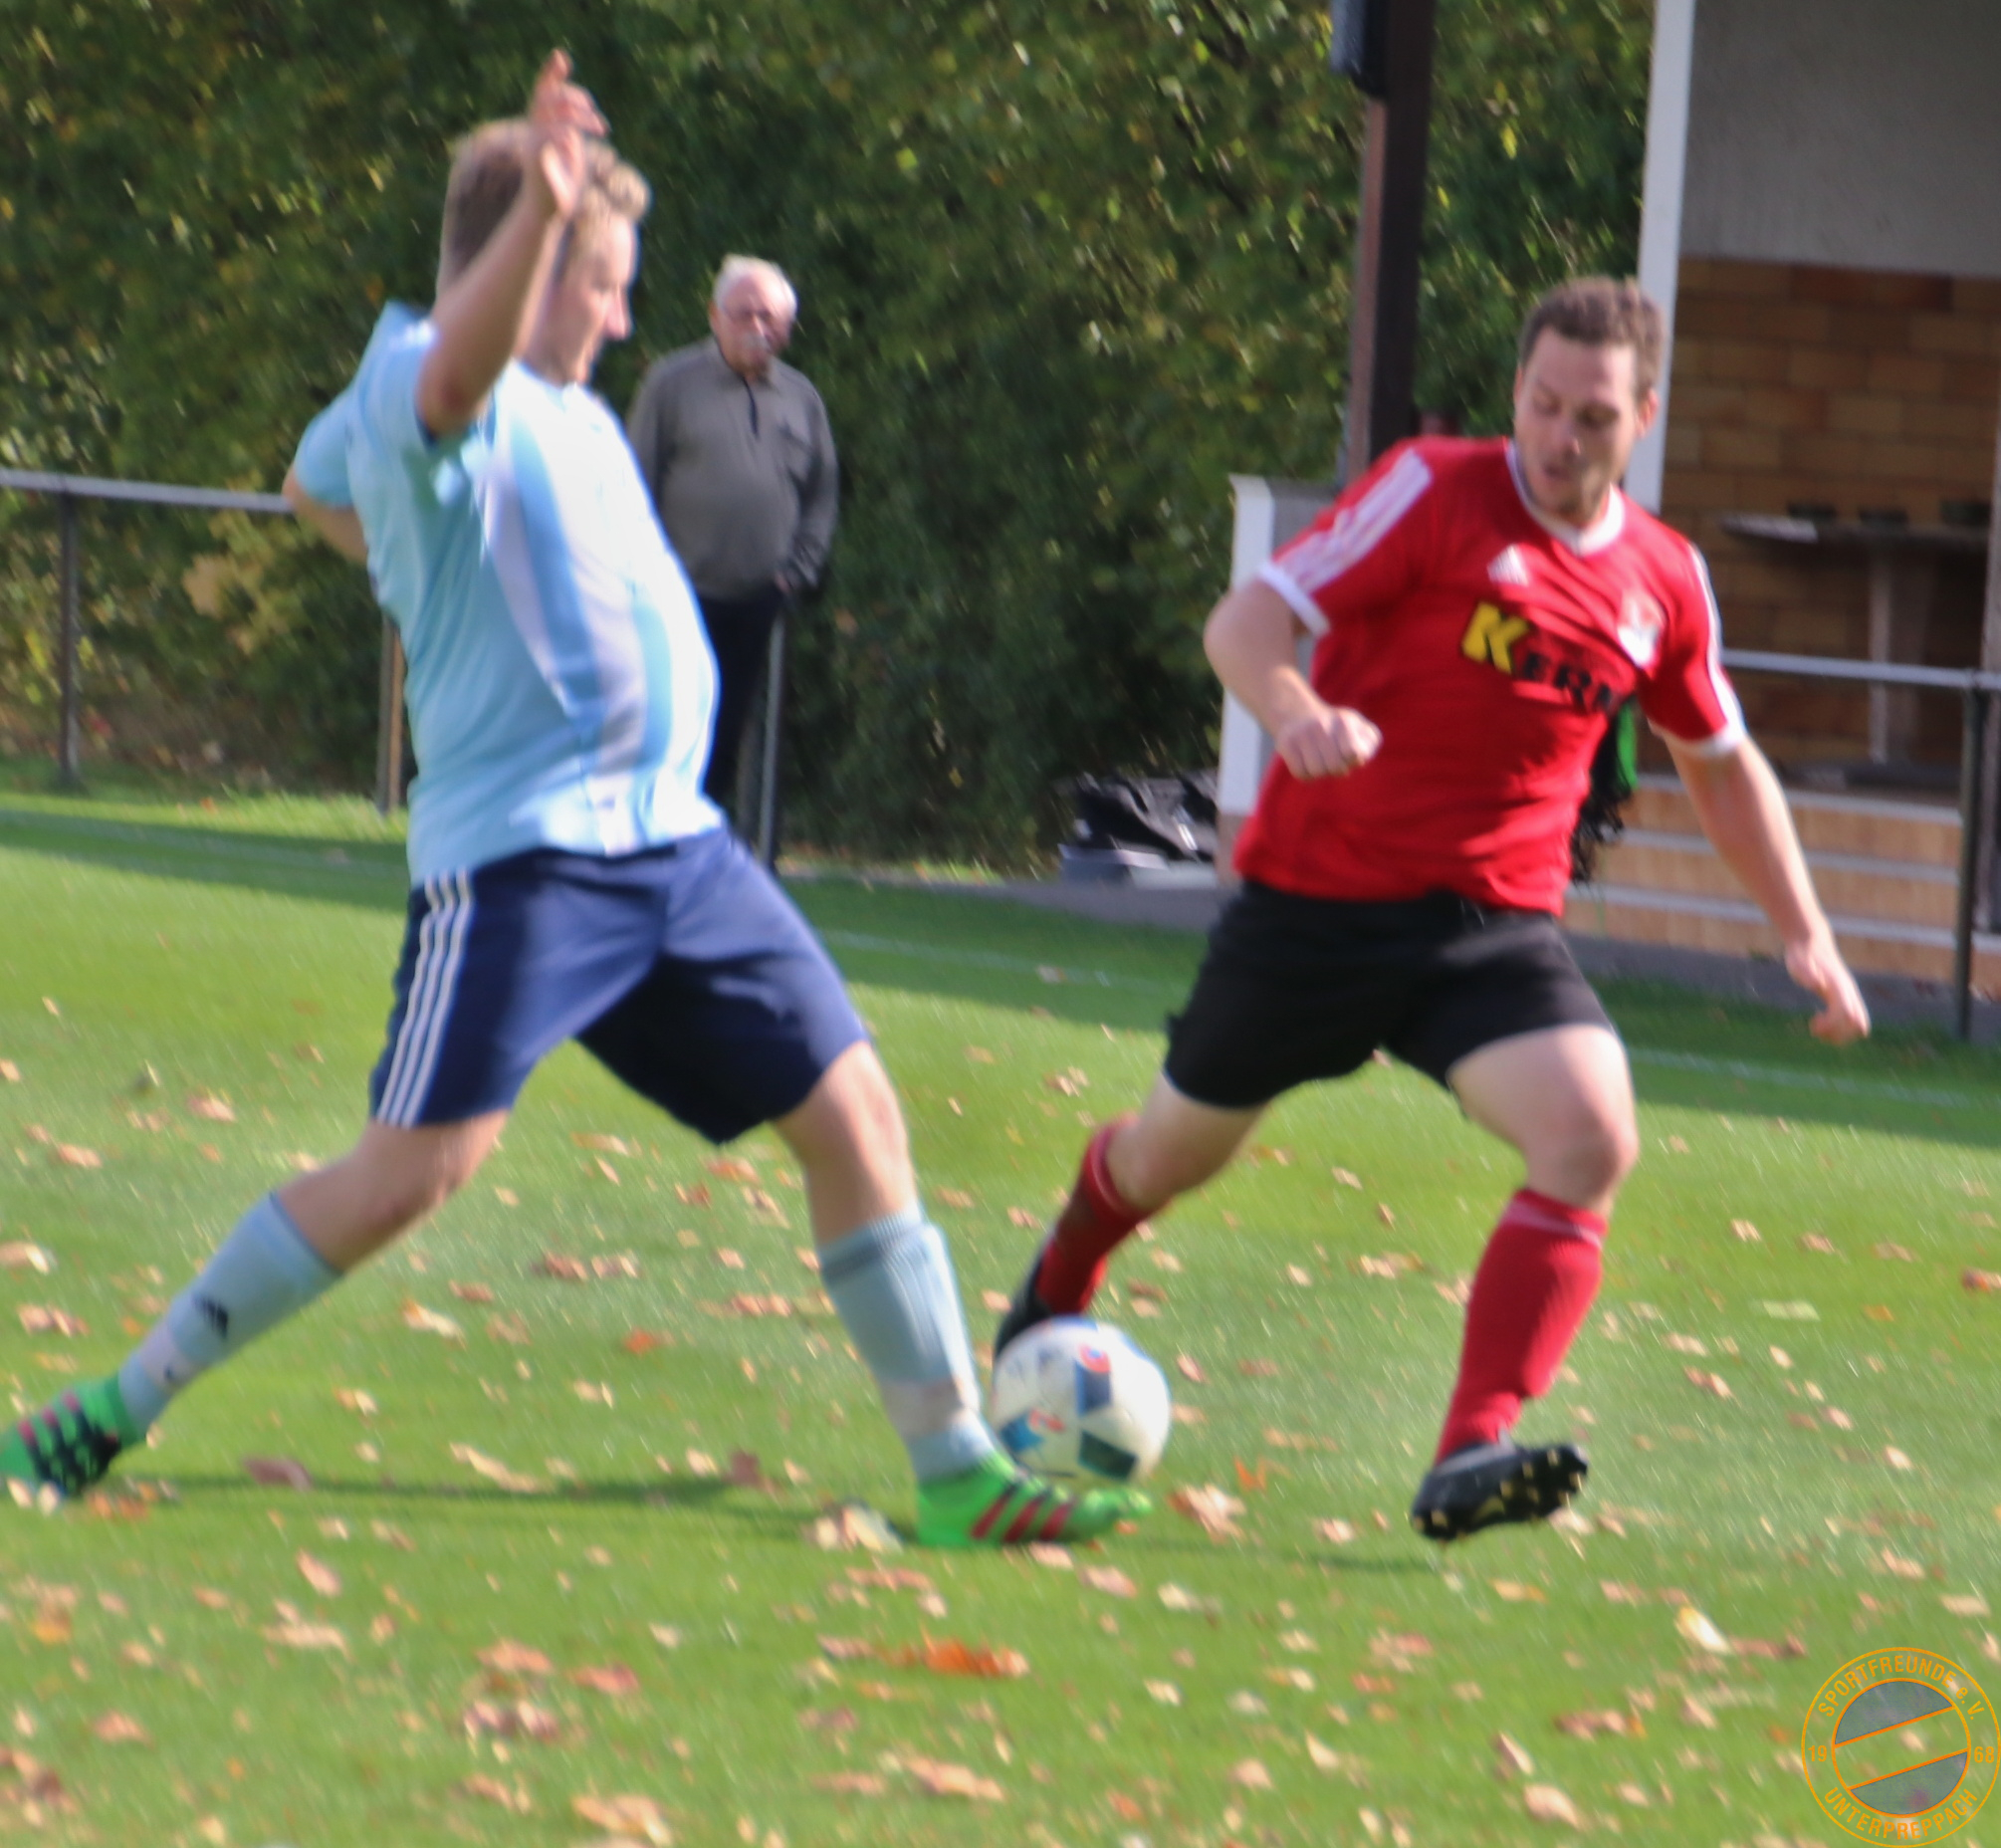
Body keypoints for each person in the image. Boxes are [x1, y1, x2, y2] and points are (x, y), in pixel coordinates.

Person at [1, 53, 1144, 1551]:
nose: (617, 317)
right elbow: (405, 417)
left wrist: (402, 552)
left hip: (678, 850)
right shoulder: (427, 380)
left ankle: (954, 1473)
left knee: (854, 1108)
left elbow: (307, 488)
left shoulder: (574, 413)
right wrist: (536, 226)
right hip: (524, 867)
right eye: (598, 282)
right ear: (521, 262)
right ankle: (108, 1407)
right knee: (413, 1173)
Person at [995, 278, 1872, 1543]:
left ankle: (1472, 1447)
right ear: (1518, 388)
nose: (1560, 436)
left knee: (1591, 1134)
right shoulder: (1430, 489)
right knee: (1165, 1157)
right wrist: (1297, 711)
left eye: (1594, 416)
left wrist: (1806, 928)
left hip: (1490, 929)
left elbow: (1721, 764)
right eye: (1544, 403)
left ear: (1645, 417)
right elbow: (1247, 620)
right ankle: (1060, 1276)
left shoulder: (1664, 578)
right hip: (1316, 907)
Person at [626, 255, 837, 819]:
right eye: (743, 313)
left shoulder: (802, 399)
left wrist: (796, 573)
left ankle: (695, 841)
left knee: (724, 739)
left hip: (757, 601)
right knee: (667, 734)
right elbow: (632, 487)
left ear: (787, 328)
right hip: (676, 599)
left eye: (769, 317)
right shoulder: (671, 385)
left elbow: (821, 495)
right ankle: (646, 837)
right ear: (715, 316)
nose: (756, 327)